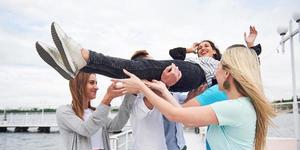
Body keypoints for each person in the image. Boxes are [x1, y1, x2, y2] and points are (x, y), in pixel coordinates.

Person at [119, 44, 276, 150]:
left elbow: (175, 114)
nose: (215, 72)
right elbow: (183, 114)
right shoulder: (238, 105)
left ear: (227, 73)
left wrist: (141, 85)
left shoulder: (234, 108)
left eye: (218, 66)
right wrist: (164, 89)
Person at [36, 22, 221, 92]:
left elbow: (245, 64)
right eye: (201, 47)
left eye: (207, 46)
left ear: (214, 51)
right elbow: (176, 53)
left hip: (195, 74)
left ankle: (82, 54)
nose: (202, 48)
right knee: (132, 72)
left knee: (139, 67)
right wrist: (191, 49)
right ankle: (78, 65)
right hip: (186, 78)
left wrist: (251, 44)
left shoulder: (219, 62)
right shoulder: (192, 58)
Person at [56, 71, 136, 150]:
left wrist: (132, 94)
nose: (97, 87)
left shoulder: (96, 113)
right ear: (79, 85)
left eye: (96, 82)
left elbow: (116, 125)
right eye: (91, 82)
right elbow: (86, 129)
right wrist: (107, 98)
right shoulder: (64, 112)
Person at [131, 50, 190, 150]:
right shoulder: (135, 95)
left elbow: (179, 109)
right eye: (151, 64)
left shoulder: (157, 91)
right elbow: (146, 105)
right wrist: (164, 84)